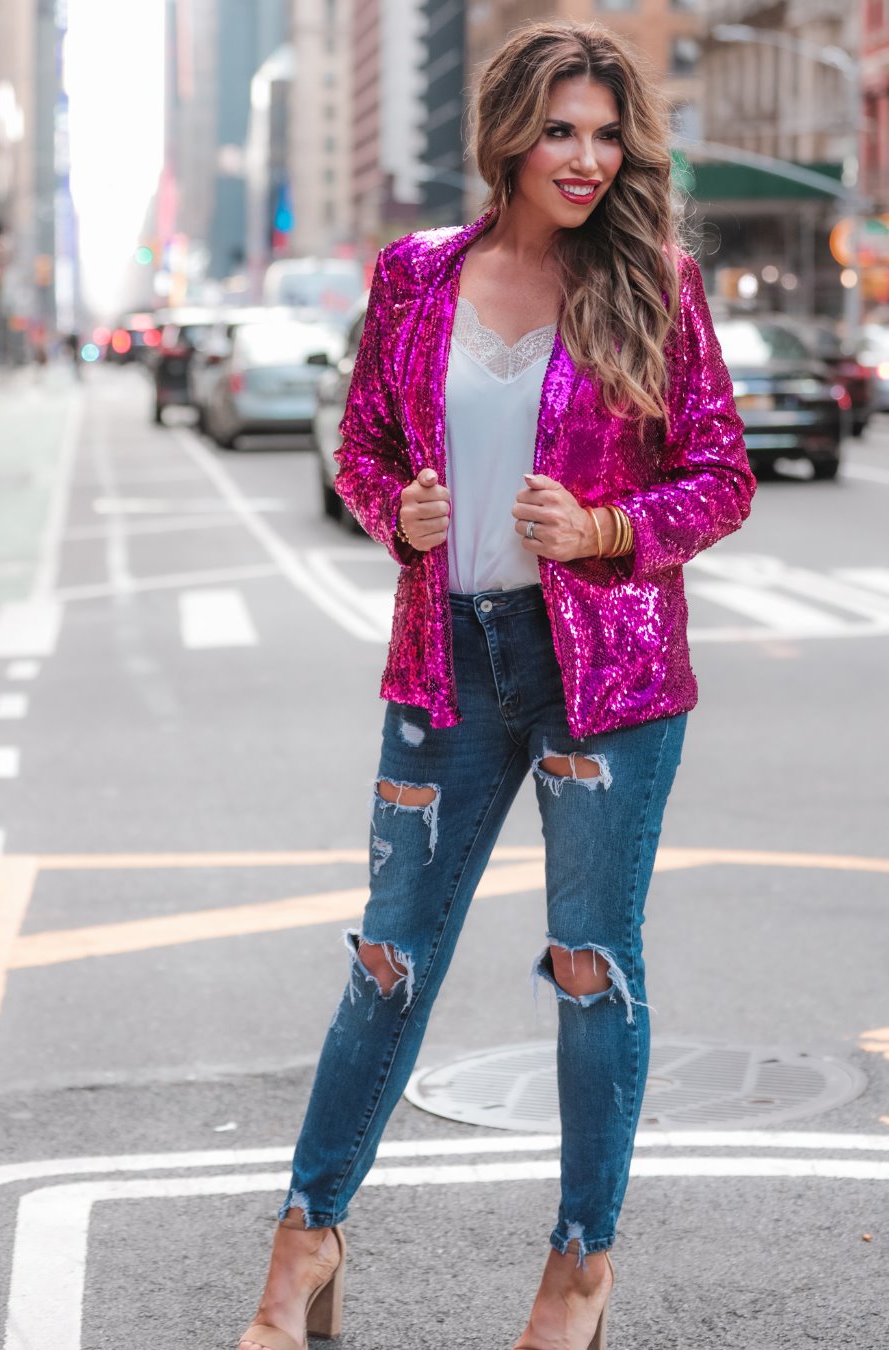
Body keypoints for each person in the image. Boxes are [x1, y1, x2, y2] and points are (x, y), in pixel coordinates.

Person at [238, 19, 754, 1350]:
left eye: (605, 133)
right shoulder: (416, 277)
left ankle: (579, 1269)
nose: (586, 159)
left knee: (591, 967)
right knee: (387, 957)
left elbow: (721, 475)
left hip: (609, 675)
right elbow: (358, 444)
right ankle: (306, 1240)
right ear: (508, 138)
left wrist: (606, 530)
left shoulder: (653, 279)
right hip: (449, 659)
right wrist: (393, 510)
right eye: (560, 131)